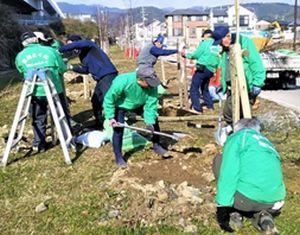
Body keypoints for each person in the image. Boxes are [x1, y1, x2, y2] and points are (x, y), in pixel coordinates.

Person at [213, 118, 286, 234]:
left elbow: (229, 173)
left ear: (237, 129)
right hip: (274, 201)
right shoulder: (267, 143)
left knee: (219, 160)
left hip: (247, 201)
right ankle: (263, 216)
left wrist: (222, 207)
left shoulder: (237, 138)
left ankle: (234, 211)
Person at [15, 32, 70, 152]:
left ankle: (39, 144)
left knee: (38, 117)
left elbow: (20, 70)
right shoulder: (50, 51)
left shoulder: (20, 56)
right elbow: (62, 68)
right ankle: (67, 139)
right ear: (37, 39)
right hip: (54, 89)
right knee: (61, 115)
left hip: (34, 92)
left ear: (23, 43)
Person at [103, 67, 168, 168]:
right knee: (118, 129)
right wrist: (111, 117)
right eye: (149, 83)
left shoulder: (152, 86)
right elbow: (109, 99)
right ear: (139, 80)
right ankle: (119, 157)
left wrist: (149, 122)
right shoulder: (122, 82)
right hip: (120, 105)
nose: (151, 86)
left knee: (154, 121)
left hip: (139, 104)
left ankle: (156, 145)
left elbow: (151, 105)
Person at [59, 35, 118, 130]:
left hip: (108, 75)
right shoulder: (83, 56)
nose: (72, 48)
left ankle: (116, 124)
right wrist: (71, 67)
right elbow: (86, 70)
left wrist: (59, 50)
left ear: (77, 42)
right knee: (96, 100)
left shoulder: (89, 45)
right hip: (100, 79)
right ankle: (100, 123)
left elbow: (79, 44)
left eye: (71, 44)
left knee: (109, 100)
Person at [214, 26, 266, 125]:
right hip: (232, 86)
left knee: (236, 113)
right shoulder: (226, 49)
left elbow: (256, 62)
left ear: (228, 36)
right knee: (232, 113)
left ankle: (244, 131)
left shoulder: (244, 43)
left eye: (221, 41)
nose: (220, 44)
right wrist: (222, 83)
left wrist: (258, 83)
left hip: (244, 85)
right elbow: (225, 67)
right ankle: (238, 130)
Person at [182, 29, 222, 113]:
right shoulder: (217, 46)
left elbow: (196, 54)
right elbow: (219, 59)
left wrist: (186, 55)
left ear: (206, 36)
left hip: (202, 68)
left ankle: (197, 108)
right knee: (204, 88)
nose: (202, 39)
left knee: (194, 88)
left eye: (203, 37)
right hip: (211, 70)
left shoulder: (205, 43)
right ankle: (210, 105)